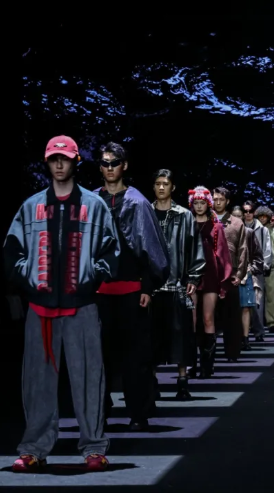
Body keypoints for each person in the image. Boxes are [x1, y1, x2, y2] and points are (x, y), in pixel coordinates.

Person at [4, 135, 119, 472]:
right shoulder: (31, 206)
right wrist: (30, 279)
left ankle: (94, 447)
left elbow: (111, 251)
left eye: (64, 158)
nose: (58, 164)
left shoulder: (94, 206)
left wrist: (90, 277)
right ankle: (34, 449)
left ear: (75, 162)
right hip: (40, 307)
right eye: (53, 158)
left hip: (81, 305)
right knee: (37, 382)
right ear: (47, 161)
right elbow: (12, 251)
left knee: (89, 378)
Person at [95, 142, 170, 432]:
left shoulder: (138, 202)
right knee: (98, 356)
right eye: (105, 163)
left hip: (131, 291)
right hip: (98, 291)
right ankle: (97, 412)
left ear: (124, 165)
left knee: (135, 356)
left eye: (114, 162)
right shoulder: (92, 201)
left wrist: (147, 287)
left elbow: (152, 247)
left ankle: (138, 412)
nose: (109, 168)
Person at [151, 170, 205, 400]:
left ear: (172, 187)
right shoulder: (146, 213)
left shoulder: (184, 215)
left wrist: (193, 277)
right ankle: (151, 384)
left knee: (181, 336)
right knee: (152, 338)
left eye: (165, 184)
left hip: (177, 285)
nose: (161, 187)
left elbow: (194, 247)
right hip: (152, 287)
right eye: (158, 183)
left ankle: (182, 382)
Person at [189, 186, 232, 378]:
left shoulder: (216, 226)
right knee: (191, 320)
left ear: (208, 204)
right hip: (191, 275)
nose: (199, 206)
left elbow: (223, 254)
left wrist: (224, 281)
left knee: (208, 318)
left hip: (211, 275)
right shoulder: (187, 224)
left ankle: (207, 365)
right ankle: (191, 364)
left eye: (202, 203)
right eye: (196, 203)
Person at [212, 187, 248, 362]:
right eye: (215, 199)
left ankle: (232, 352)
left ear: (227, 201)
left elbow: (243, 250)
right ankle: (208, 354)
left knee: (231, 317)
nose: (218, 202)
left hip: (231, 274)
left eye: (221, 199)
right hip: (209, 274)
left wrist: (240, 274)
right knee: (208, 316)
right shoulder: (205, 219)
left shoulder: (236, 223)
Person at [243, 200, 272, 342]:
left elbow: (267, 248)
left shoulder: (262, 229)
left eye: (250, 211)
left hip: (257, 268)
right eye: (245, 211)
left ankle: (259, 331)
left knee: (257, 302)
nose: (247, 214)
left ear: (254, 212)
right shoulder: (239, 226)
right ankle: (245, 332)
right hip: (242, 269)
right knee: (244, 303)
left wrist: (264, 265)